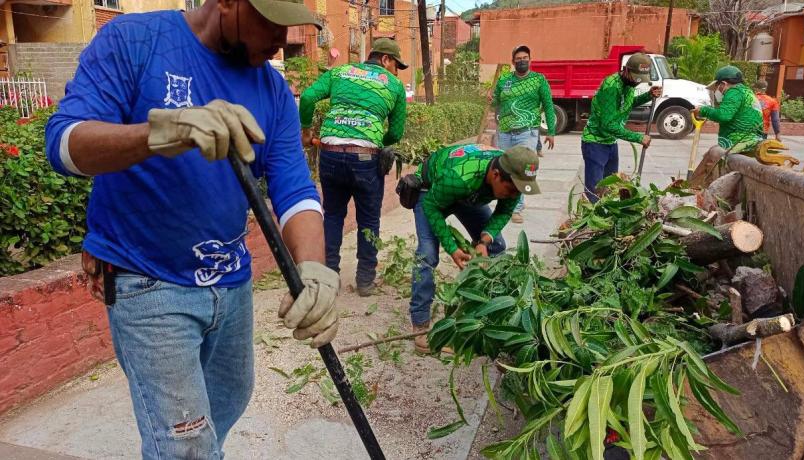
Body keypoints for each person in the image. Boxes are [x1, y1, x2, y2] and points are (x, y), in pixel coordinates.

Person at [44, 1, 339, 458]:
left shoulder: (272, 90)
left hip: (231, 282)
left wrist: (314, 269)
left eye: (292, 22)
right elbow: (64, 145)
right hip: (147, 280)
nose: (284, 38)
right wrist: (160, 132)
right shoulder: (133, 41)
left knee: (224, 407)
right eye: (270, 20)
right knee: (185, 443)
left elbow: (294, 189)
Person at [299, 38, 407, 297]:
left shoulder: (338, 72)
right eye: (396, 65)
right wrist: (377, 141)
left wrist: (306, 130)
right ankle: (365, 281)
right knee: (368, 219)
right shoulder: (394, 85)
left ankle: (330, 278)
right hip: (366, 159)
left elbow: (307, 97)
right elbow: (396, 132)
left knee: (333, 215)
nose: (395, 71)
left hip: (331, 155)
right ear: (385, 59)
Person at [408, 144, 541, 353]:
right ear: (496, 175)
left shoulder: (512, 174)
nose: (514, 195)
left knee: (497, 246)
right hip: (432, 191)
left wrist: (483, 242)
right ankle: (420, 326)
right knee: (427, 255)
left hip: (469, 192)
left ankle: (488, 309)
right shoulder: (460, 177)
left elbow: (504, 212)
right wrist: (452, 248)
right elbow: (432, 207)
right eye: (511, 189)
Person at [581, 53, 661, 202]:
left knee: (611, 188)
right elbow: (608, 124)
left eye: (641, 79)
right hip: (595, 142)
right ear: (625, 70)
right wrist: (637, 137)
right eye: (636, 77)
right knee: (595, 191)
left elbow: (626, 105)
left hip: (610, 142)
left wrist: (648, 96)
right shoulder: (612, 87)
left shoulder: (629, 84)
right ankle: (589, 221)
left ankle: (605, 220)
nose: (638, 82)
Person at [492, 45, 556, 223]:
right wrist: (491, 99)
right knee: (505, 169)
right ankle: (509, 203)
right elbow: (495, 102)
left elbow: (549, 106)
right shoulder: (504, 80)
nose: (522, 61)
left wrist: (550, 131)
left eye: (525, 58)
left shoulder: (538, 80)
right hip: (504, 132)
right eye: (518, 59)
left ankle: (516, 208)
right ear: (513, 62)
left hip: (526, 133)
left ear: (530, 59)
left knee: (522, 169)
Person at [689, 65, 765, 185]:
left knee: (711, 158)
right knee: (710, 156)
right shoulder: (746, 92)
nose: (717, 92)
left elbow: (723, 115)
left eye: (717, 88)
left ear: (723, 84)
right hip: (751, 140)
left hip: (740, 142)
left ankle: (693, 189)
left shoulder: (734, 92)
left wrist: (703, 110)